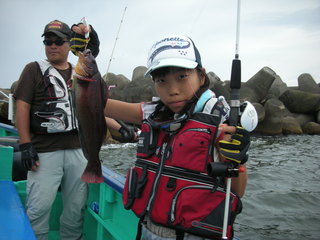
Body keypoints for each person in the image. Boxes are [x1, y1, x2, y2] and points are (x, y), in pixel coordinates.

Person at [104, 35, 255, 239]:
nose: (173, 90)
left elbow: (238, 190)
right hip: (148, 228)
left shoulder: (221, 119)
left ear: (201, 76)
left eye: (182, 77)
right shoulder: (156, 112)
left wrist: (238, 159)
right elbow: (99, 104)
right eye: (162, 80)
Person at [14, 19, 100, 240]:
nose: (52, 45)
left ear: (69, 45)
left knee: (75, 209)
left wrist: (86, 33)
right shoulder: (33, 70)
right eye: (48, 41)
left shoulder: (80, 71)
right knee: (38, 208)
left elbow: (91, 106)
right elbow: (22, 106)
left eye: (58, 41)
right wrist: (25, 144)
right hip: (43, 151)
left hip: (78, 151)